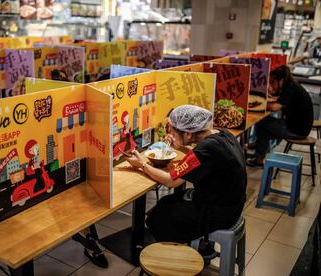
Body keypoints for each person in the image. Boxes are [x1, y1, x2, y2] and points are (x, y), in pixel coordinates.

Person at [126, 105, 246, 257]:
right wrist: (180, 146)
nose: (170, 134)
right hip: (232, 203)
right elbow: (199, 158)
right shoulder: (221, 135)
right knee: (166, 202)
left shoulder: (207, 148)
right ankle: (198, 242)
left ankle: (176, 256)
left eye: (173, 132)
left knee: (159, 216)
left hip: (220, 212)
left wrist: (142, 165)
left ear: (188, 134)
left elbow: (171, 181)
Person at [247, 65, 313, 167]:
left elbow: (274, 107)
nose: (271, 85)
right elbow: (278, 99)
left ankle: (258, 150)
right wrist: (272, 92)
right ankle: (259, 155)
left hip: (297, 131)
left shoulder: (290, 89)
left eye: (273, 82)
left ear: (281, 80)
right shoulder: (292, 86)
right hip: (300, 128)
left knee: (262, 122)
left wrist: (257, 103)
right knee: (264, 128)